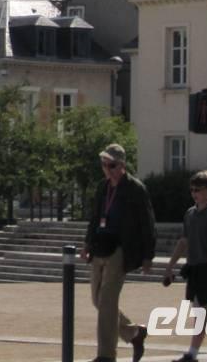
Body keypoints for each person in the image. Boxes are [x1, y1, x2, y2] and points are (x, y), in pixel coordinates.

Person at [82, 143, 156, 362]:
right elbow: (95, 217)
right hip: (99, 247)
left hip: (120, 249)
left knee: (107, 301)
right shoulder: (102, 187)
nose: (107, 169)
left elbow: (147, 223)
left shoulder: (135, 189)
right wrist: (87, 243)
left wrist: (147, 256)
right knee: (98, 300)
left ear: (122, 165)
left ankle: (106, 355)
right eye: (104, 164)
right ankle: (134, 333)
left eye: (111, 165)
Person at [161, 170, 207, 362]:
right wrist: (170, 265)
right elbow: (183, 241)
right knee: (203, 312)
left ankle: (205, 352)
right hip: (195, 268)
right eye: (192, 190)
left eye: (198, 189)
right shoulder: (190, 214)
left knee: (204, 312)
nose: (194, 193)